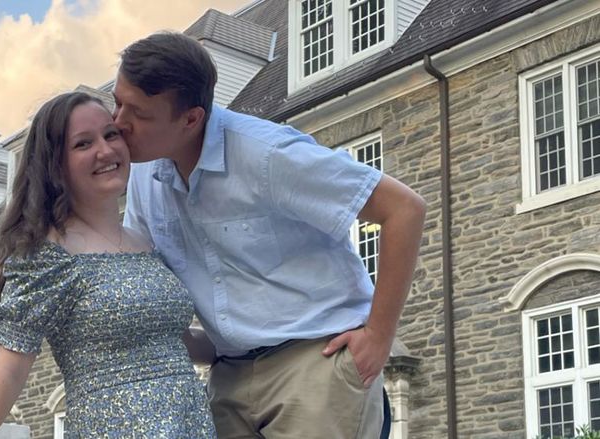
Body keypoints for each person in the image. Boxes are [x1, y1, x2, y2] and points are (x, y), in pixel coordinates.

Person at [116, 32, 426, 438]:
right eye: (117, 102)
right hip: (227, 373)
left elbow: (404, 209)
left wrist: (379, 336)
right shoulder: (144, 171)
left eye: (137, 113)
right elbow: (139, 267)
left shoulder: (267, 153)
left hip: (314, 361)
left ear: (191, 118)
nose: (119, 123)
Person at [0, 91, 216, 439]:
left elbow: (174, 341)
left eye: (111, 135)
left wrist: (270, 343)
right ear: (55, 165)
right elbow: (8, 372)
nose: (105, 151)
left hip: (190, 426)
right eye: (82, 144)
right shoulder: (47, 257)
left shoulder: (146, 241)